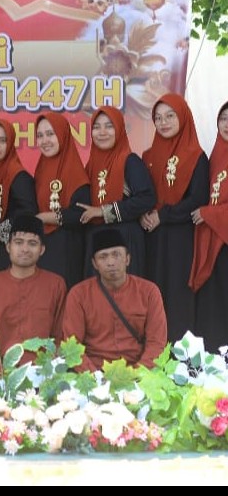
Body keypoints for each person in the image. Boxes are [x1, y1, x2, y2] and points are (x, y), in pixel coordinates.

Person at [140, 92, 209, 344]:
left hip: (181, 237)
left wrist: (163, 215)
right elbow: (143, 194)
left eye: (170, 116)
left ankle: (180, 353)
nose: (163, 122)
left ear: (183, 117)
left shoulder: (196, 156)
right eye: (158, 118)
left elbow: (198, 198)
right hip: (152, 236)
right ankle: (154, 350)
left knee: (178, 291)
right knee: (153, 291)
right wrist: (143, 215)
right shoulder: (148, 156)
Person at [62, 228, 167, 372]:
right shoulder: (78, 294)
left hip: (138, 372)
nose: (110, 262)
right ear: (94, 264)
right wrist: (95, 377)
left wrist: (136, 374)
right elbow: (72, 345)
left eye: (116, 255)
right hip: (93, 373)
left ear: (127, 259)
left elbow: (157, 343)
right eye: (103, 257)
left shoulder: (149, 292)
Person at [0, 214, 67, 365]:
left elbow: (59, 335)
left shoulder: (56, 285)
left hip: (43, 370)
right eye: (18, 242)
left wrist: (49, 368)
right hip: (2, 371)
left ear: (42, 250)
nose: (25, 249)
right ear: (8, 247)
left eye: (32, 243)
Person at [77, 106, 156, 277]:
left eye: (109, 126)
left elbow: (146, 198)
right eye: (96, 127)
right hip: (96, 239)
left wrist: (103, 211)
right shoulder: (90, 165)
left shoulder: (130, 161)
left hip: (124, 239)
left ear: (119, 129)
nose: (102, 132)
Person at [33, 112, 90, 290]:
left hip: (67, 247)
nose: (45, 141)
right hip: (43, 247)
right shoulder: (40, 169)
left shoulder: (76, 172)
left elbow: (80, 214)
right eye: (40, 135)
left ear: (63, 134)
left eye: (50, 134)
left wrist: (45, 218)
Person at [0, 118, 39, 273]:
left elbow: (28, 213)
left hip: (6, 251)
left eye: (2, 140)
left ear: (10, 144)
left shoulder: (18, 176)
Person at [190, 100, 228, 352]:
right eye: (224, 118)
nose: (227, 124)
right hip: (212, 244)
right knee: (212, 303)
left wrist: (209, 213)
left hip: (223, 239)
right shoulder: (214, 157)